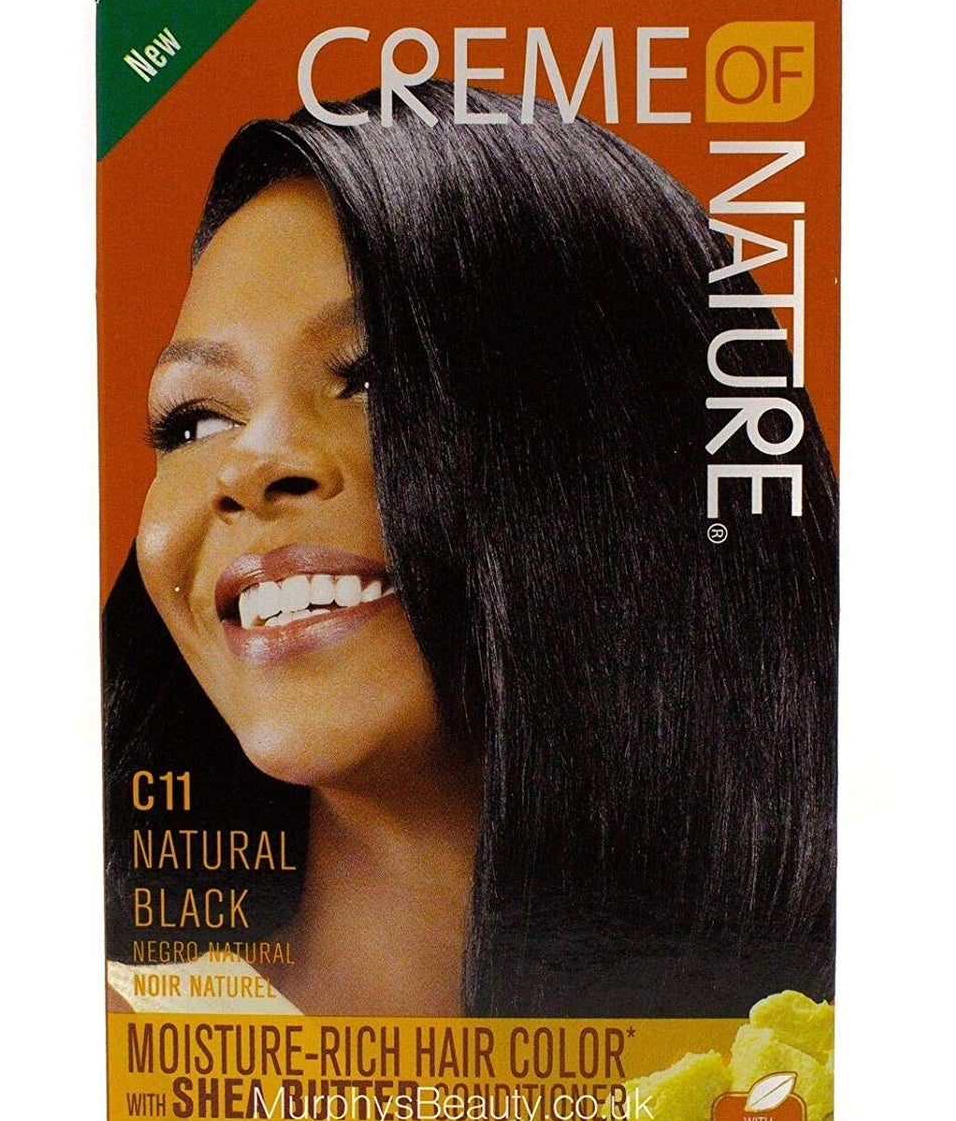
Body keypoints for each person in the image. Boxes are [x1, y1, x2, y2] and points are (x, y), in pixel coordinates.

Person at [103, 81, 837, 1020]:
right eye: (196, 420)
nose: (246, 469)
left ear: (631, 450)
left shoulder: (806, 1056)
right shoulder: (128, 1056)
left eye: (378, 379)